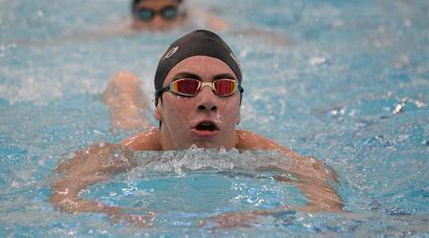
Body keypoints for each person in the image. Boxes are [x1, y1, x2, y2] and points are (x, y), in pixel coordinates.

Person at [51, 30, 343, 226]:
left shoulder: (257, 151)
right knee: (126, 117)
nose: (207, 102)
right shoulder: (127, 153)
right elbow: (63, 194)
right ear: (159, 105)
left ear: (239, 109)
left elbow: (323, 190)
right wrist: (116, 215)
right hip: (150, 134)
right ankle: (123, 85)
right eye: (186, 86)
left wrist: (265, 216)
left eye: (224, 87)